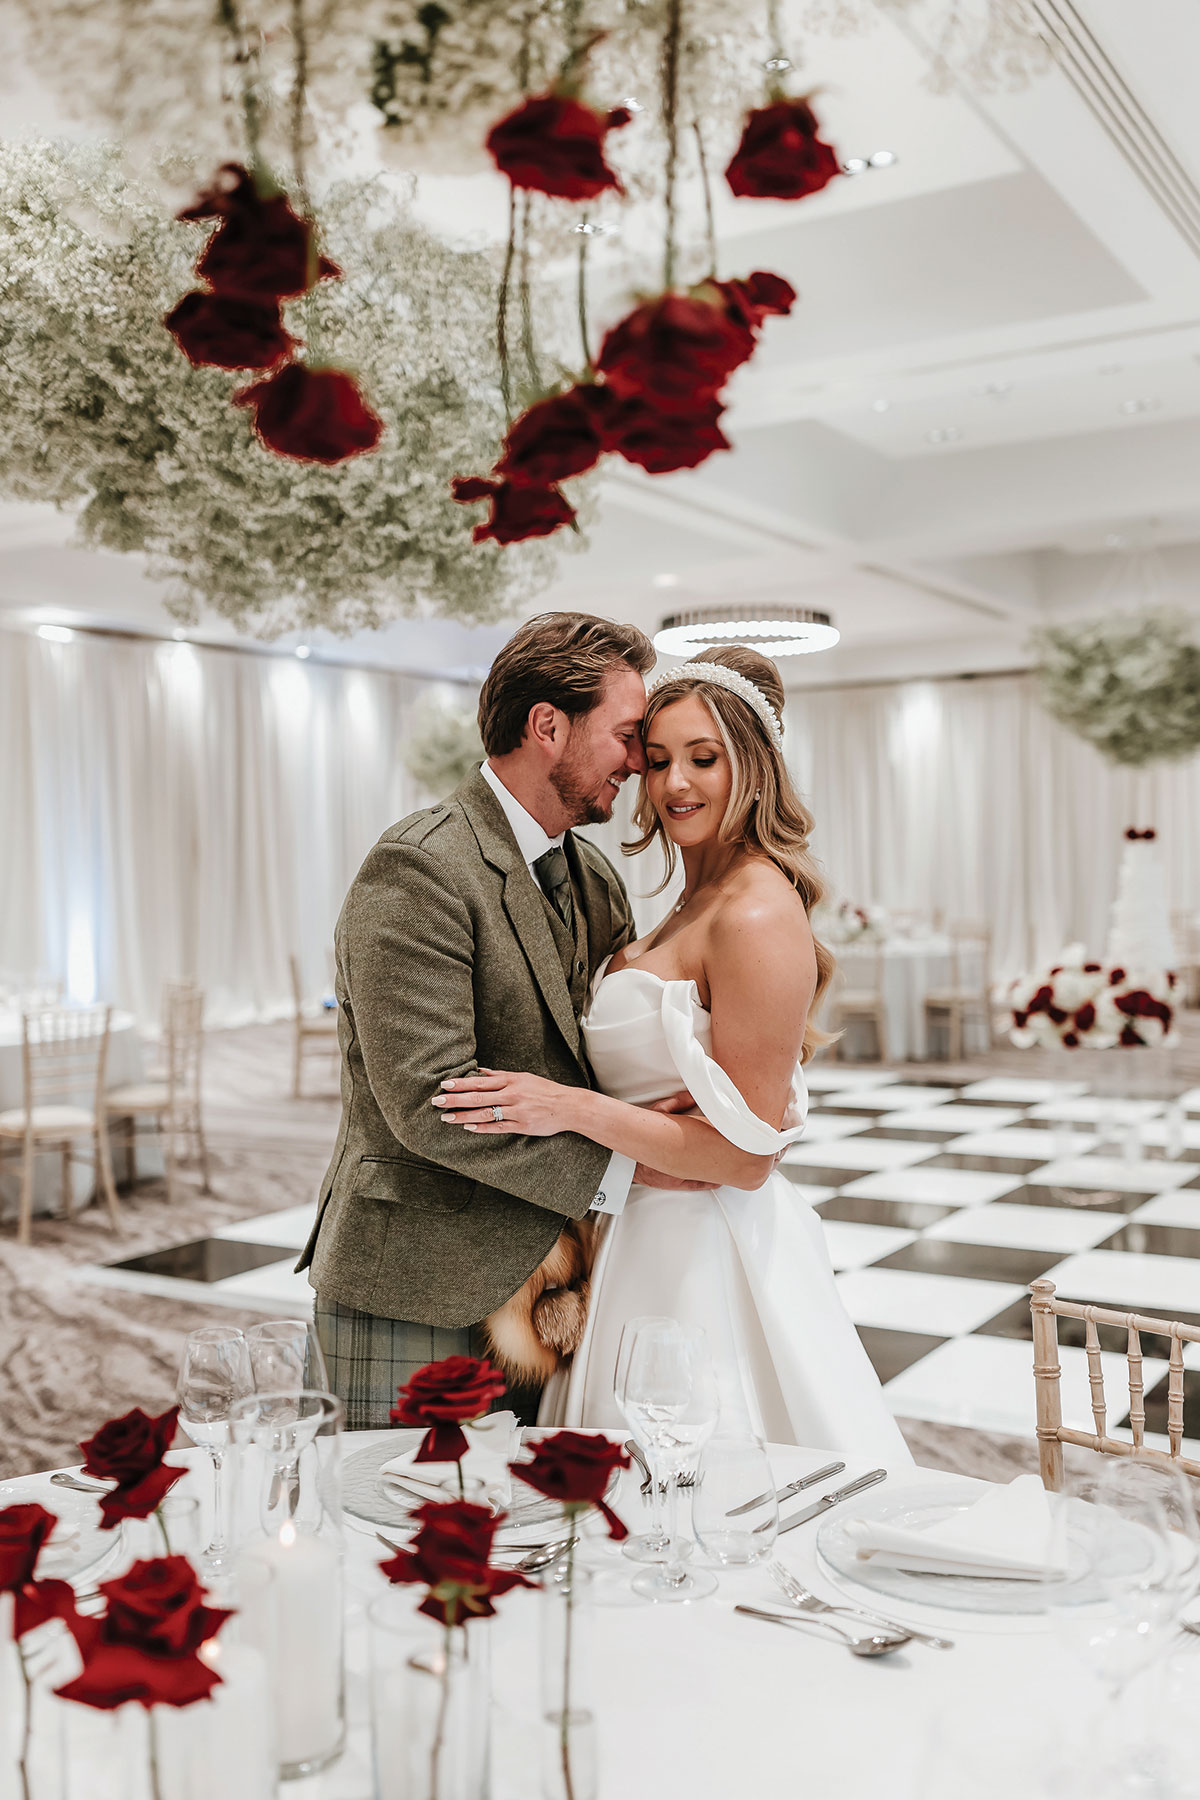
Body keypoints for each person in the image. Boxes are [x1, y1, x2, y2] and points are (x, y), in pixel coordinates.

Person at [436, 644, 911, 1462]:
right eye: (656, 761)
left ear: (753, 767)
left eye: (704, 759)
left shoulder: (755, 911)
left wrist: (572, 1108)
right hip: (634, 1233)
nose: (675, 784)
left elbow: (747, 1159)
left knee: (701, 1477)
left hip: (704, 1253)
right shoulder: (688, 898)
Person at [296, 611, 705, 1429]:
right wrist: (631, 1170)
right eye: (626, 735)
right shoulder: (420, 866)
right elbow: (428, 1103)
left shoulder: (592, 874)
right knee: (399, 1538)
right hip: (417, 1285)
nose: (639, 762)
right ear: (548, 725)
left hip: (558, 1288)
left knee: (537, 1539)